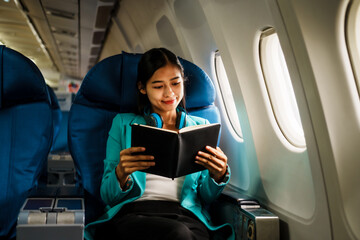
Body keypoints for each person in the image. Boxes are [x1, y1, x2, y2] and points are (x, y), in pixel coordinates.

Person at [87, 48, 233, 240]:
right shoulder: (123, 123)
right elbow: (108, 196)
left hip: (185, 215)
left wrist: (218, 175)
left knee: (183, 233)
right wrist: (121, 173)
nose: (170, 93)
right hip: (133, 213)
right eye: (158, 86)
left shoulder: (201, 127)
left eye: (176, 83)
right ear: (142, 87)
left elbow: (205, 197)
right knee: (178, 235)